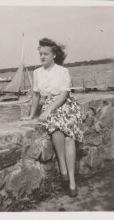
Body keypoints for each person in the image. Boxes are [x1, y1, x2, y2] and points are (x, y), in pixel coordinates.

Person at [22, 38, 83, 197]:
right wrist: (31, 115)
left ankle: (71, 181)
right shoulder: (37, 73)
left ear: (54, 55)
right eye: (40, 54)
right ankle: (63, 167)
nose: (42, 57)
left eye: (46, 54)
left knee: (69, 137)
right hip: (50, 105)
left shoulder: (63, 71)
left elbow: (63, 94)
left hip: (66, 105)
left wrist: (48, 110)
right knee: (56, 128)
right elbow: (36, 95)